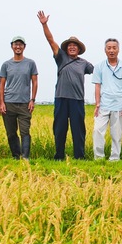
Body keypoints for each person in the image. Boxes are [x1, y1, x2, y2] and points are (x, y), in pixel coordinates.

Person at [37, 11, 94, 161]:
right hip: (61, 98)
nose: (72, 47)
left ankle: (79, 156)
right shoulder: (61, 57)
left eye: (75, 46)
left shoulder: (84, 63)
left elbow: (98, 73)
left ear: (79, 49)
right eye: (70, 45)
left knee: (78, 130)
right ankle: (59, 156)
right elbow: (51, 40)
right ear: (66, 48)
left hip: (77, 100)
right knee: (60, 128)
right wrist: (44, 24)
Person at [91, 38, 122, 161]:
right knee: (97, 130)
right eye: (109, 48)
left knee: (116, 134)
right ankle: (99, 157)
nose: (111, 50)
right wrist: (97, 104)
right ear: (105, 50)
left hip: (119, 104)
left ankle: (115, 158)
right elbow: (97, 86)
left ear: (118, 50)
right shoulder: (99, 66)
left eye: (114, 48)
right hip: (104, 104)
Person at [0, 35, 38, 159]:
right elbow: (2, 84)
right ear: (12, 46)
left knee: (25, 131)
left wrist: (32, 99)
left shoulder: (30, 63)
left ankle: (25, 156)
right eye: (16, 44)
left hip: (25, 103)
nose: (18, 46)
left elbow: (35, 82)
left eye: (20, 44)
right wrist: (1, 103)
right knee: (11, 132)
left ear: (24, 47)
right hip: (9, 102)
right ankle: (16, 156)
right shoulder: (6, 64)